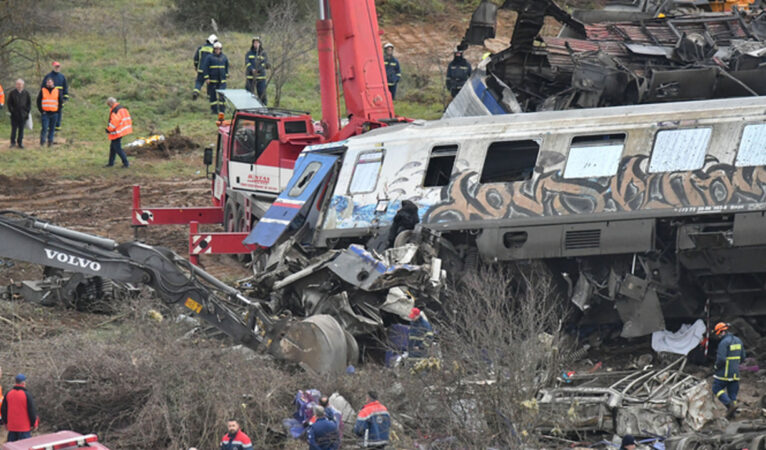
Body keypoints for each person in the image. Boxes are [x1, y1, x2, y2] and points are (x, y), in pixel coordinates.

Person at [712, 321, 745, 418]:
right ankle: (732, 415)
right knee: (733, 393)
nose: (717, 336)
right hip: (735, 373)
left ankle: (729, 405)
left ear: (721, 332)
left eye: (717, 333)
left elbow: (721, 359)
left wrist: (716, 367)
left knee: (716, 388)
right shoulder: (738, 340)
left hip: (724, 373)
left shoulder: (723, 343)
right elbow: (743, 357)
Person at [0, 374, 39, 442]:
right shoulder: (27, 395)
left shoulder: (8, 394)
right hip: (24, 429)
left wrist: (5, 423)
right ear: (23, 383)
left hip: (12, 428)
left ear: (15, 382)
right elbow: (32, 411)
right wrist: (34, 424)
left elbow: (3, 410)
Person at [104, 97, 133, 168]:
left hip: (117, 132)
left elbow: (115, 121)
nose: (108, 106)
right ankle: (111, 163)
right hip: (121, 130)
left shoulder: (115, 110)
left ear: (111, 103)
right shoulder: (121, 108)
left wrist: (109, 129)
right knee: (113, 147)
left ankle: (126, 163)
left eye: (108, 104)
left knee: (117, 148)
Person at [40, 61, 69, 132]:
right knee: (50, 113)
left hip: (59, 98)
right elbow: (43, 88)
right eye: (56, 67)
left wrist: (65, 97)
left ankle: (57, 126)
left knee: (59, 112)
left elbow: (65, 87)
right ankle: (49, 127)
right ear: (53, 67)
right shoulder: (48, 76)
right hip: (50, 100)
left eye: (58, 67)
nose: (57, 68)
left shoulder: (62, 77)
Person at [203, 41, 229, 114]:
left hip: (222, 81)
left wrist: (226, 74)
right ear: (214, 49)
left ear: (221, 49)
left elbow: (226, 67)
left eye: (219, 49)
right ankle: (214, 111)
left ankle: (222, 110)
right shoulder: (209, 57)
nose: (217, 50)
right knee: (213, 96)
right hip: (212, 81)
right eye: (216, 49)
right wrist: (207, 78)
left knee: (222, 95)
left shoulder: (224, 57)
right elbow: (205, 68)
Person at [37, 77, 61, 147]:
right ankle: (42, 142)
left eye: (50, 82)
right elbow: (38, 101)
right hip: (45, 113)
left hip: (54, 113)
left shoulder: (57, 91)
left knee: (52, 129)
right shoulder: (43, 90)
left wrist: (57, 110)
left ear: (53, 83)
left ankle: (50, 142)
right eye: (48, 82)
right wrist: (41, 110)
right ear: (46, 83)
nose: (49, 83)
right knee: (44, 128)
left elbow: (60, 101)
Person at [7, 79, 31, 149]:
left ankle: (20, 142)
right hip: (14, 115)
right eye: (17, 84)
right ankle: (12, 143)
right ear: (16, 85)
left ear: (23, 85)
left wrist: (27, 112)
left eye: (20, 84)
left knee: (21, 130)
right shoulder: (12, 93)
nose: (19, 85)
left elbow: (29, 104)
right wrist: (12, 111)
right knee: (14, 130)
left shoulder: (26, 93)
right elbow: (9, 103)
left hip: (23, 115)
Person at [245, 36, 269, 105]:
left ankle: (263, 108)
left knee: (262, 94)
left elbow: (265, 63)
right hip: (250, 77)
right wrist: (252, 69)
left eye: (257, 42)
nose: (256, 44)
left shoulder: (263, 53)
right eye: (254, 43)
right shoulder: (249, 53)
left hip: (261, 77)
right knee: (249, 94)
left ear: (260, 43)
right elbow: (247, 63)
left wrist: (258, 70)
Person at [193, 34, 217, 100]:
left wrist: (196, 66)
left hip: (201, 69)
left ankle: (196, 92)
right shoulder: (214, 49)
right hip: (210, 71)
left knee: (199, 82)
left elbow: (196, 58)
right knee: (210, 83)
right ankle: (209, 96)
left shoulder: (201, 48)